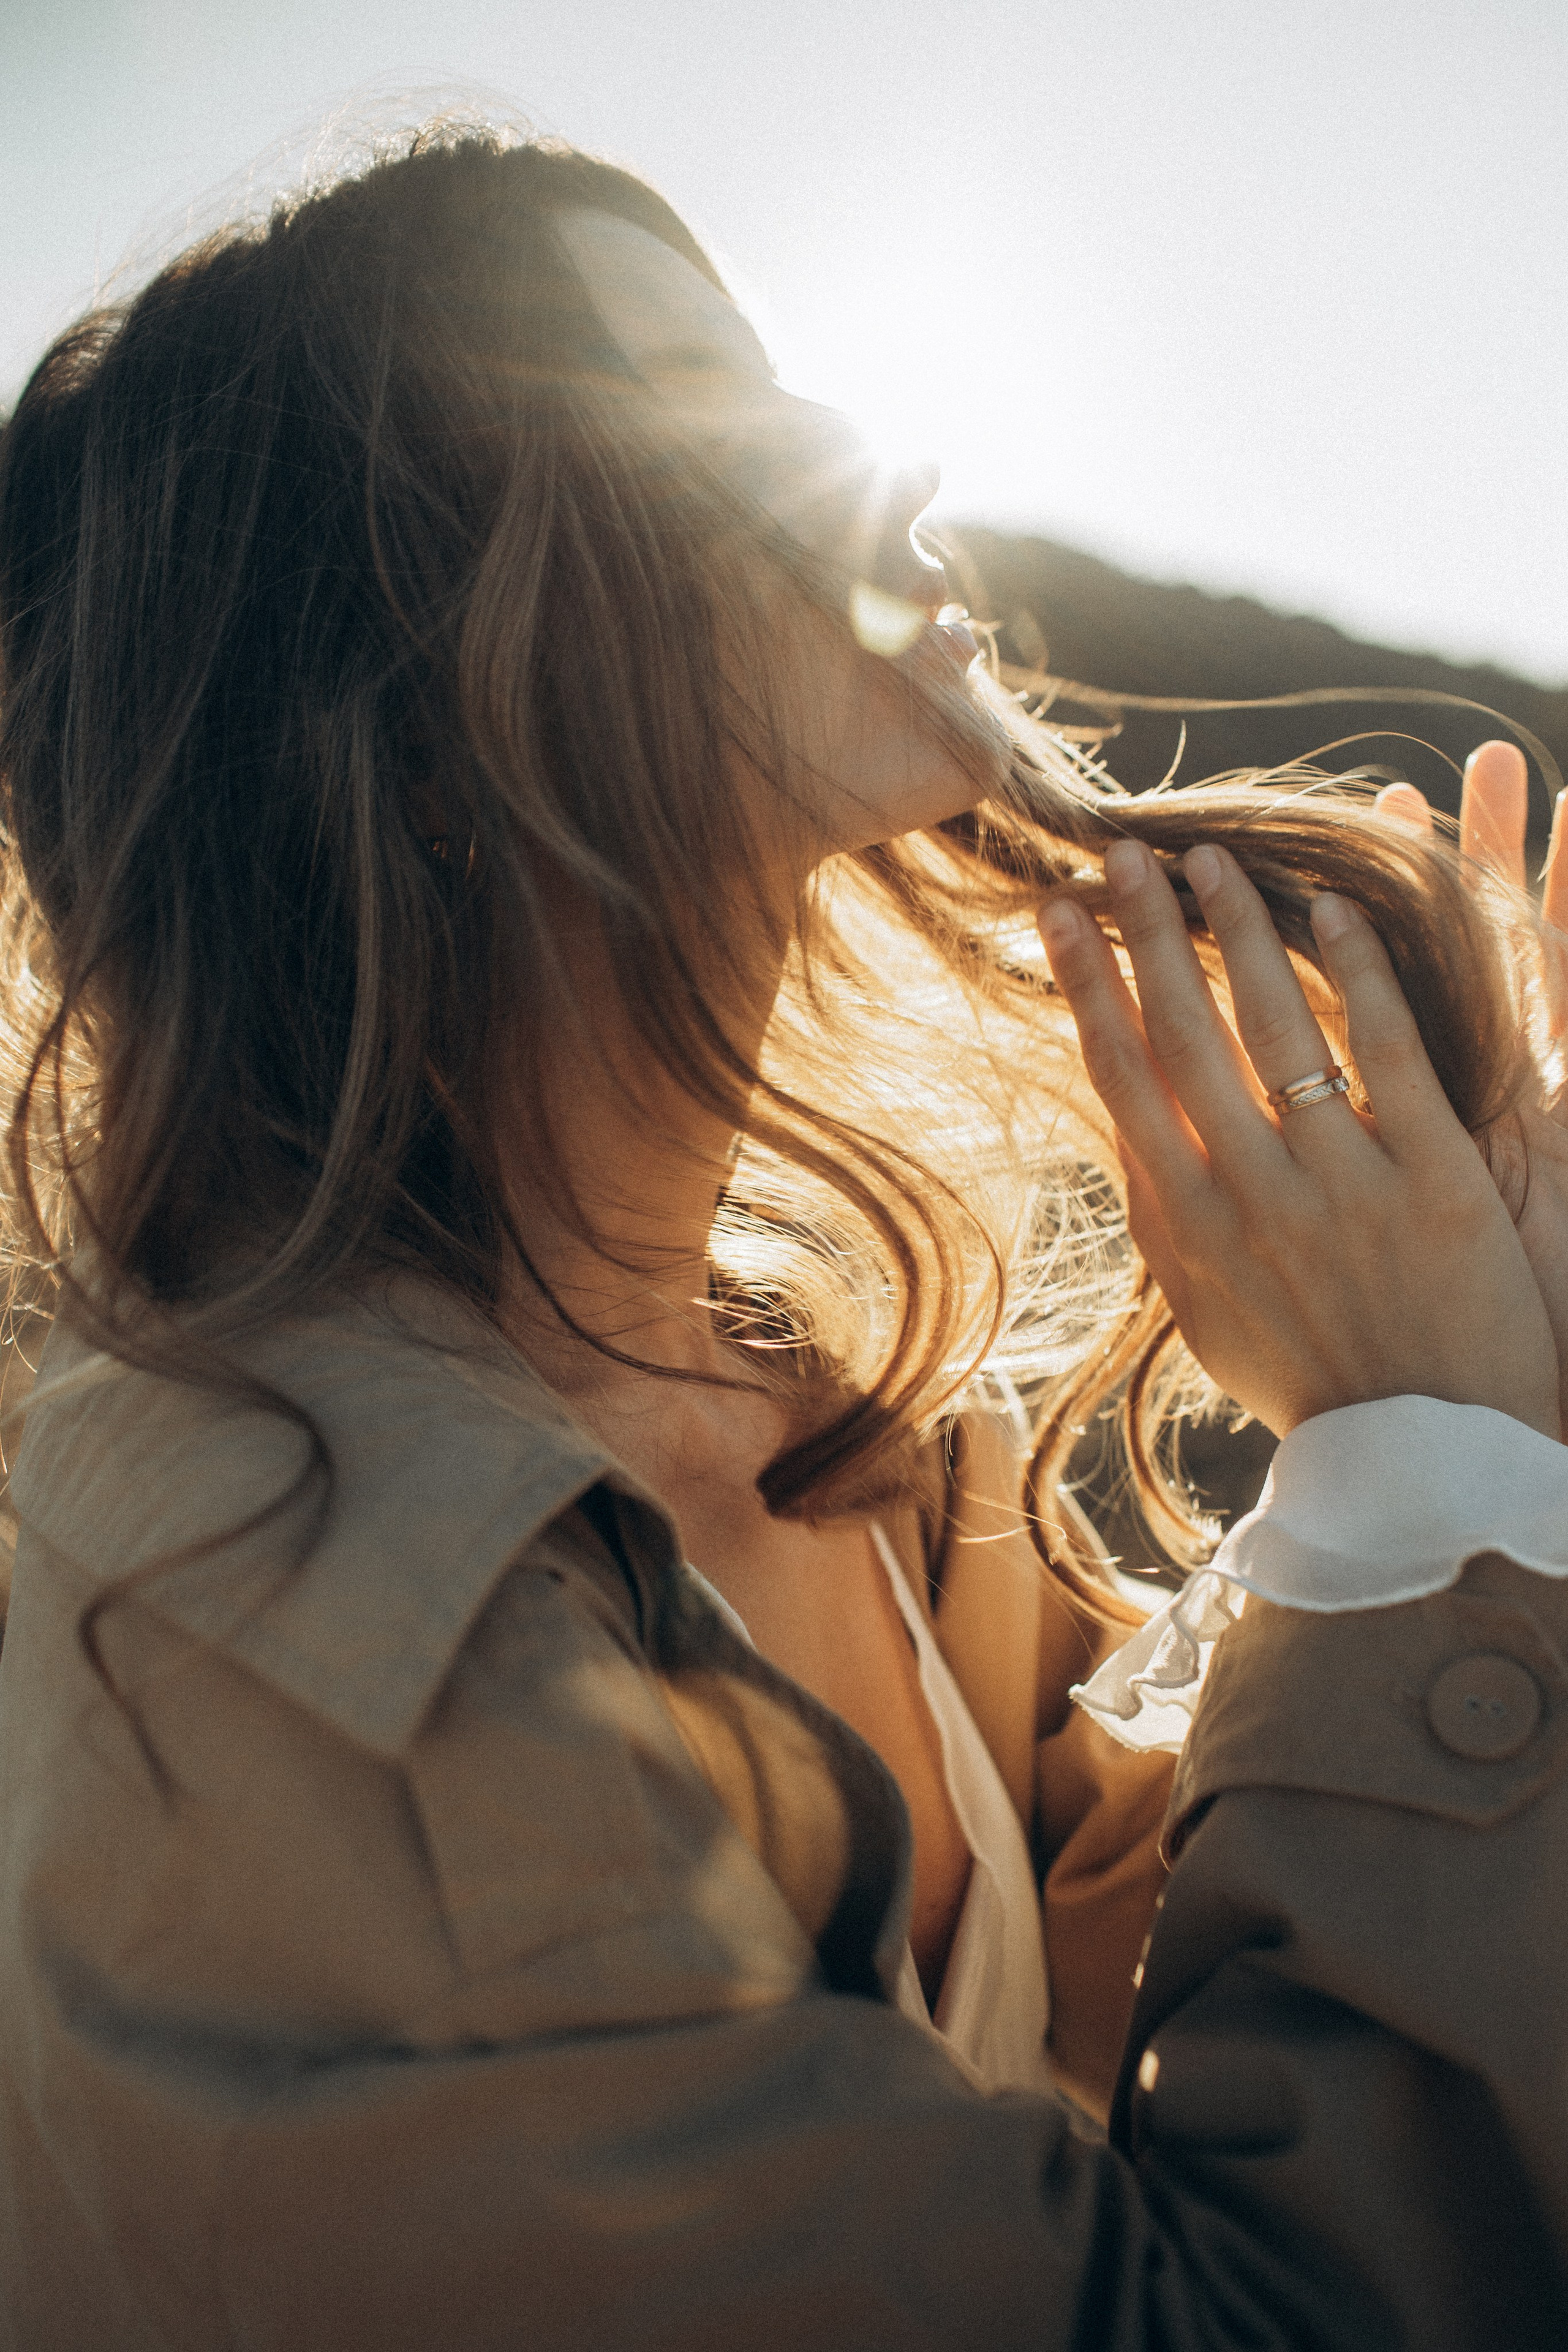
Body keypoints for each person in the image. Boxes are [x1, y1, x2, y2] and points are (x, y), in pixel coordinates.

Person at [0, 125, 1566, 2348]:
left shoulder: (845, 1403)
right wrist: (1429, 1467)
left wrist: (1485, 1392)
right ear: (418, 726)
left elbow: (1174, 2044)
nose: (888, 457)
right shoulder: (320, 1659)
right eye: (675, 415)